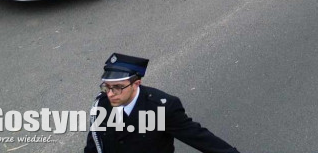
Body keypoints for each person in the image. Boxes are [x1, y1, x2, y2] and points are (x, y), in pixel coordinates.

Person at [84, 53, 241, 153]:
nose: (110, 94)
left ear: (136, 84)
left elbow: (198, 137)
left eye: (118, 87)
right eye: (107, 87)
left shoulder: (160, 107)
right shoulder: (102, 105)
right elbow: (94, 145)